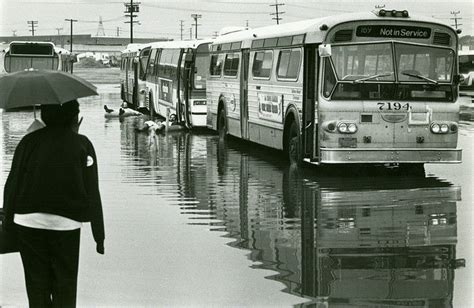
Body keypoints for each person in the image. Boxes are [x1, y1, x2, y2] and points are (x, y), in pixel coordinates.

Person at [3, 100, 105, 307]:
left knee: (36, 286)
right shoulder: (82, 144)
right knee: (65, 286)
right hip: (66, 224)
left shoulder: (28, 142)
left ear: (45, 115)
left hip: (28, 222)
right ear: (73, 118)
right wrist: (99, 236)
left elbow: (12, 184)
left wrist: (7, 225)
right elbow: (92, 191)